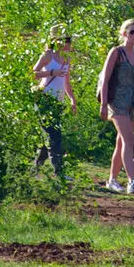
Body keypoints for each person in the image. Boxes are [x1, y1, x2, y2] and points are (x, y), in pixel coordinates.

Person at [98, 19, 134, 194]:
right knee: (129, 140)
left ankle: (112, 180)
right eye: (132, 32)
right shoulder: (116, 52)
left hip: (132, 103)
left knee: (121, 142)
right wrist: (104, 104)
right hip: (117, 101)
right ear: (123, 33)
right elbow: (105, 79)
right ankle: (132, 180)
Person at [32, 27, 78, 178]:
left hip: (58, 102)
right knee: (55, 136)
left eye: (69, 40)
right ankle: (59, 172)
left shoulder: (67, 59)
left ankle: (35, 169)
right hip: (45, 99)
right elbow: (32, 74)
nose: (68, 43)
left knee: (50, 136)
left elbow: (66, 82)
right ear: (57, 40)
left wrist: (72, 99)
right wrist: (51, 72)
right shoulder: (48, 55)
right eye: (66, 40)